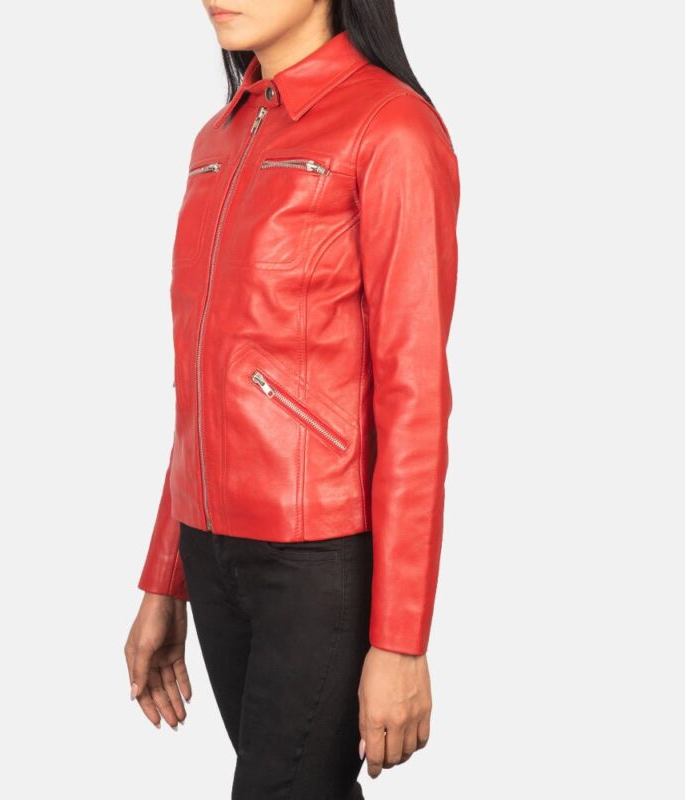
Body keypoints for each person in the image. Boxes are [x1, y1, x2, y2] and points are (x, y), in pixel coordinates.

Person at [125, 1, 460, 797]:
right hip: (211, 552)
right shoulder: (217, 141)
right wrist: (165, 575)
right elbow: (200, 386)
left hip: (317, 562)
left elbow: (415, 398)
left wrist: (401, 638)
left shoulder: (391, 128)